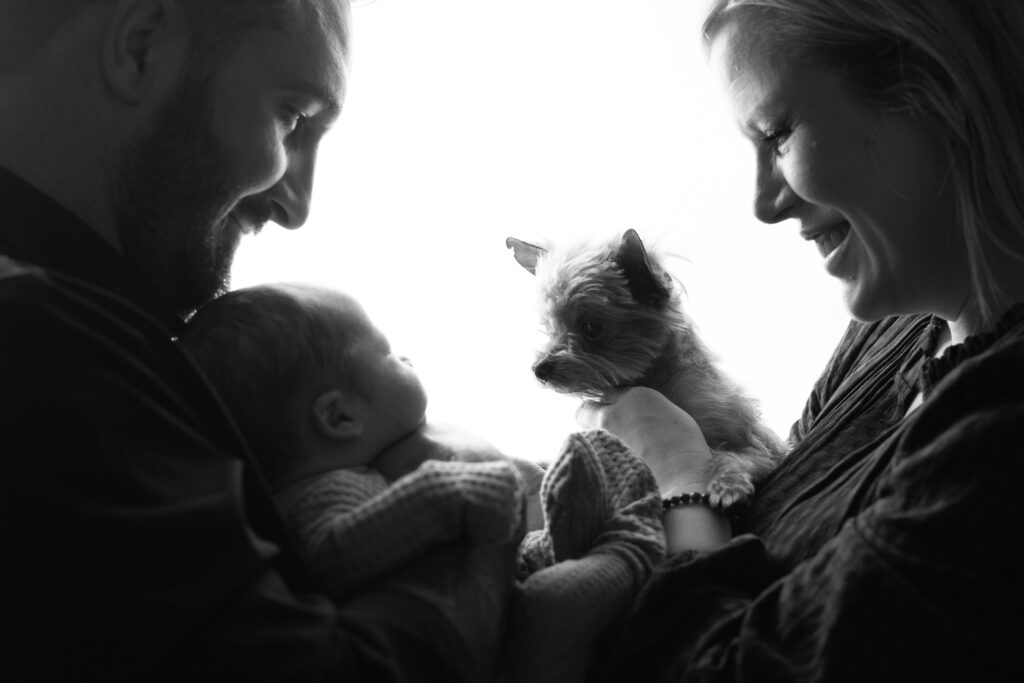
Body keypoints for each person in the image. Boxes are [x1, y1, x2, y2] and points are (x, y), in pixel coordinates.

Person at [0, 1, 522, 680]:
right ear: (141, 46)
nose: (297, 204)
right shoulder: (39, 343)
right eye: (294, 116)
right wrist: (470, 484)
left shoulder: (84, 339)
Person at [568, 0, 1024, 680]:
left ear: (936, 88)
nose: (763, 202)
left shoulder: (998, 436)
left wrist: (681, 477)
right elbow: (768, 533)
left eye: (777, 133)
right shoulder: (889, 339)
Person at [179, 282, 666, 683]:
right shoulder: (315, 499)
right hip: (503, 649)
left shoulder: (357, 470)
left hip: (492, 605)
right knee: (560, 603)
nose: (406, 359)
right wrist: (453, 493)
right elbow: (335, 552)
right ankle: (630, 552)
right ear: (339, 416)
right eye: (389, 354)